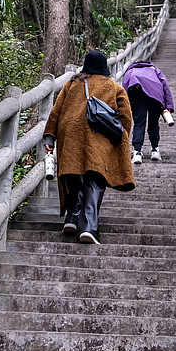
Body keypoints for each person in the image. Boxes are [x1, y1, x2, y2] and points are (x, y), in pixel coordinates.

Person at [43, 50, 135, 244]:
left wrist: (50, 136)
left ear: (86, 66)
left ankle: (72, 217)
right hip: (99, 137)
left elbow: (56, 112)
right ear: (105, 67)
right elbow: (126, 118)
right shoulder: (114, 87)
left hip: (70, 135)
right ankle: (89, 227)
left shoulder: (72, 83)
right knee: (94, 178)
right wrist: (120, 138)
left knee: (74, 175)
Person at [122, 60, 174, 164]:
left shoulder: (131, 71)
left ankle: (137, 152)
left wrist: (124, 107)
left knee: (139, 123)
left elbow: (124, 89)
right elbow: (165, 86)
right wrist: (168, 105)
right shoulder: (155, 70)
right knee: (154, 123)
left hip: (137, 95)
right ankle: (155, 150)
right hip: (155, 96)